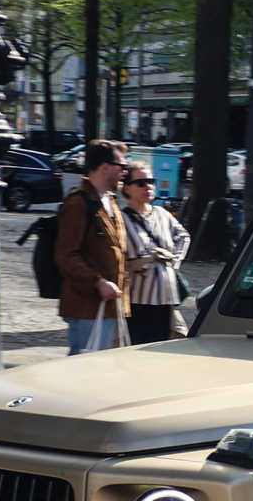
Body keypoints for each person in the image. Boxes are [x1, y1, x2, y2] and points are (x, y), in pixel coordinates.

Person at [55, 138, 130, 353]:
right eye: (121, 166)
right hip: (86, 307)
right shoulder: (79, 203)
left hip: (109, 307)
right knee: (82, 372)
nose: (125, 171)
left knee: (98, 372)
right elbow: (66, 255)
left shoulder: (110, 200)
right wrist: (97, 282)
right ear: (105, 168)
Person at [118, 162, 190, 343]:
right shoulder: (121, 219)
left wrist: (174, 263)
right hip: (137, 300)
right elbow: (115, 258)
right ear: (127, 187)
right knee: (135, 348)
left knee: (161, 350)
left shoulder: (162, 213)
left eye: (151, 181)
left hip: (165, 298)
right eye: (141, 183)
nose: (148, 186)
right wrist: (147, 260)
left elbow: (183, 237)